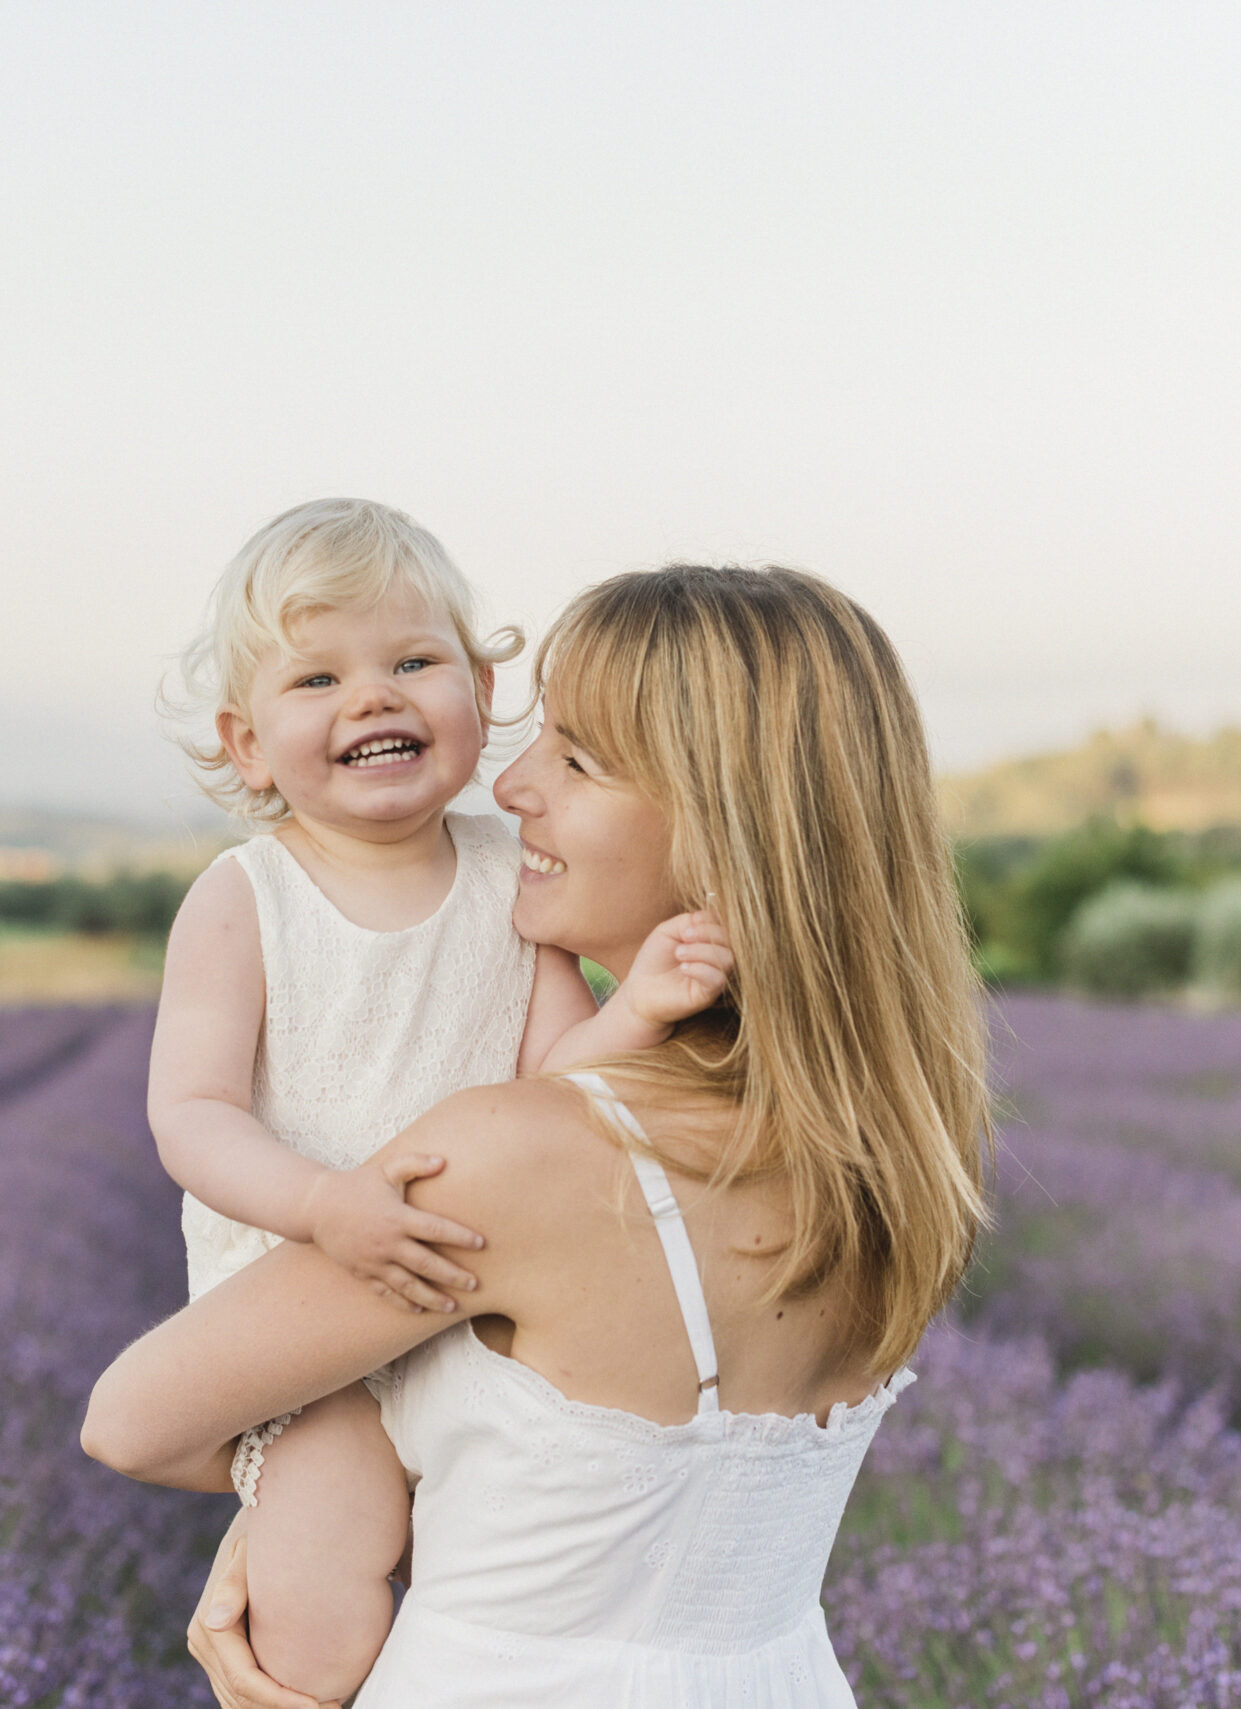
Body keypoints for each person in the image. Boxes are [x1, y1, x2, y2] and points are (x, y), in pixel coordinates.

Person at [88, 562, 990, 1708]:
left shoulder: (513, 1160)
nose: (513, 786)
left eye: (576, 756)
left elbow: (128, 1421)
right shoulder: (895, 1154)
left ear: (726, 824)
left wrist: (293, 1501)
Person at [147, 500, 738, 1700]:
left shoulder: (512, 882)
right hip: (310, 1330)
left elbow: (556, 1090)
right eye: (316, 677)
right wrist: (326, 1205)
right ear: (247, 743)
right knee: (314, 1598)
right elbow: (192, 1114)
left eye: (412, 662)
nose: (372, 697)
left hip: (477, 1302)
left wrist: (639, 1011)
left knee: (505, 1585)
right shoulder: (244, 896)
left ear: (478, 689)